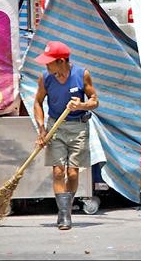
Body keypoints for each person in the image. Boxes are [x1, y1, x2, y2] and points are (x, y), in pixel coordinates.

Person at [33, 41, 99, 230]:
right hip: (56, 126)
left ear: (61, 61)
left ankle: (66, 209)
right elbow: (37, 102)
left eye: (49, 62)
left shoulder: (81, 74)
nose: (46, 65)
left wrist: (82, 105)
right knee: (58, 171)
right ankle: (64, 215)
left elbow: (95, 101)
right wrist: (41, 129)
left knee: (72, 172)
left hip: (78, 127)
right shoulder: (45, 78)